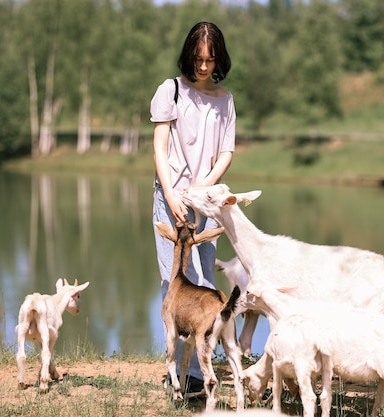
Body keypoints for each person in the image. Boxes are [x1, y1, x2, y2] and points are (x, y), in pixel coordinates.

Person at [150, 22, 235, 398]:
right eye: (198, 58)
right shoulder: (170, 90)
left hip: (206, 201)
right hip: (171, 197)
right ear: (189, 54)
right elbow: (159, 146)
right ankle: (180, 374)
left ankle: (196, 374)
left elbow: (227, 152)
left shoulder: (225, 99)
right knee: (176, 282)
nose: (203, 66)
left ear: (218, 58)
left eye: (210, 58)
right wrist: (171, 195)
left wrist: (204, 188)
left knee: (205, 285)